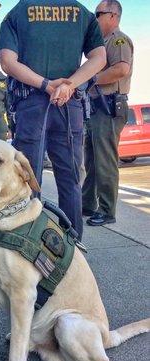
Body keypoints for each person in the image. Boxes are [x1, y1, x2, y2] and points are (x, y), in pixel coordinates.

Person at [0, 1, 106, 240]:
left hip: (32, 103)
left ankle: (28, 241)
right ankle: (73, 244)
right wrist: (69, 85)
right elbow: (99, 57)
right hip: (69, 104)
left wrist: (46, 85)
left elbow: (6, 62)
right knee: (71, 180)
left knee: (28, 178)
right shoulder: (83, 13)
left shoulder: (18, 12)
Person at [82, 0, 133, 226]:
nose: (95, 17)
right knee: (91, 159)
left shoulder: (118, 40)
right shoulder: (101, 44)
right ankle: (87, 204)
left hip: (109, 105)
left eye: (99, 13)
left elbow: (122, 69)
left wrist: (91, 79)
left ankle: (107, 210)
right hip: (97, 106)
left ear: (112, 15)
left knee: (104, 160)